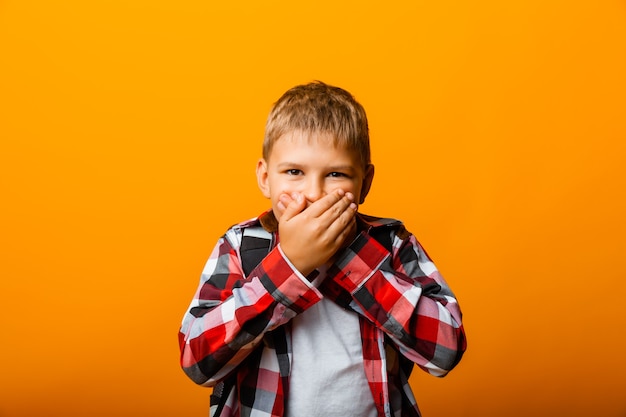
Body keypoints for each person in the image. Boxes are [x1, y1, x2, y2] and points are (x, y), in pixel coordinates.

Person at [178, 81, 466, 417]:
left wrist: (348, 259)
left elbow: (446, 351)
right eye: (294, 172)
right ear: (265, 177)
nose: (314, 194)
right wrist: (290, 266)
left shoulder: (393, 244)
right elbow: (198, 361)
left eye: (335, 174)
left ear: (365, 183)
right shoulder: (241, 247)